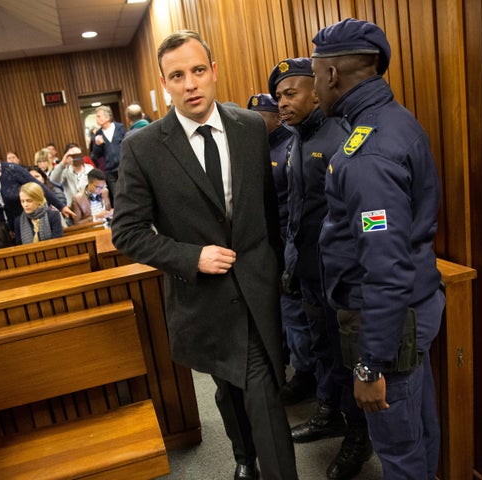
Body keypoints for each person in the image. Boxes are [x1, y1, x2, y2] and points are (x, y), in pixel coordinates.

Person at [112, 30, 297, 480]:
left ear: (213, 72)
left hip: (255, 286)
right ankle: (241, 454)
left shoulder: (251, 127)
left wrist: (275, 271)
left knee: (263, 389)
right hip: (203, 296)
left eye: (198, 71)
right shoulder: (143, 147)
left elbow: (268, 213)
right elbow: (127, 232)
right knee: (229, 384)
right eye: (178, 76)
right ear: (164, 84)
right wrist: (191, 256)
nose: (190, 83)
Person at [311, 18, 445, 480]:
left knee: (400, 451)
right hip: (409, 312)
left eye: (314, 74)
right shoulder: (393, 119)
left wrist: (369, 366)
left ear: (331, 75)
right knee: (420, 433)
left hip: (386, 322)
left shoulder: (366, 153)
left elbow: (385, 269)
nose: (313, 89)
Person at [269, 57, 371, 477]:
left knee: (349, 360)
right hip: (308, 273)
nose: (282, 103)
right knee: (322, 351)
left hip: (339, 276)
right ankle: (328, 412)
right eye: (278, 96)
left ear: (316, 92)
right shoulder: (294, 139)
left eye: (290, 93)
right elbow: (296, 213)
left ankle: (359, 438)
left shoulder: (340, 138)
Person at [247, 93, 316, 405]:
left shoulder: (290, 145)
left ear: (276, 117)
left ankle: (305, 376)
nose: (254, 124)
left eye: (260, 117)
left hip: (290, 242)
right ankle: (287, 365)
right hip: (265, 245)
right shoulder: (253, 148)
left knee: (294, 314)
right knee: (278, 313)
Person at [89, 105, 125, 206]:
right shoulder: (98, 134)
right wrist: (97, 145)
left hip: (124, 167)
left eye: (99, 116)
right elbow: (95, 155)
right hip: (110, 171)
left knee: (128, 193)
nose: (97, 119)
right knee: (117, 197)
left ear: (107, 117)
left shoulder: (120, 128)